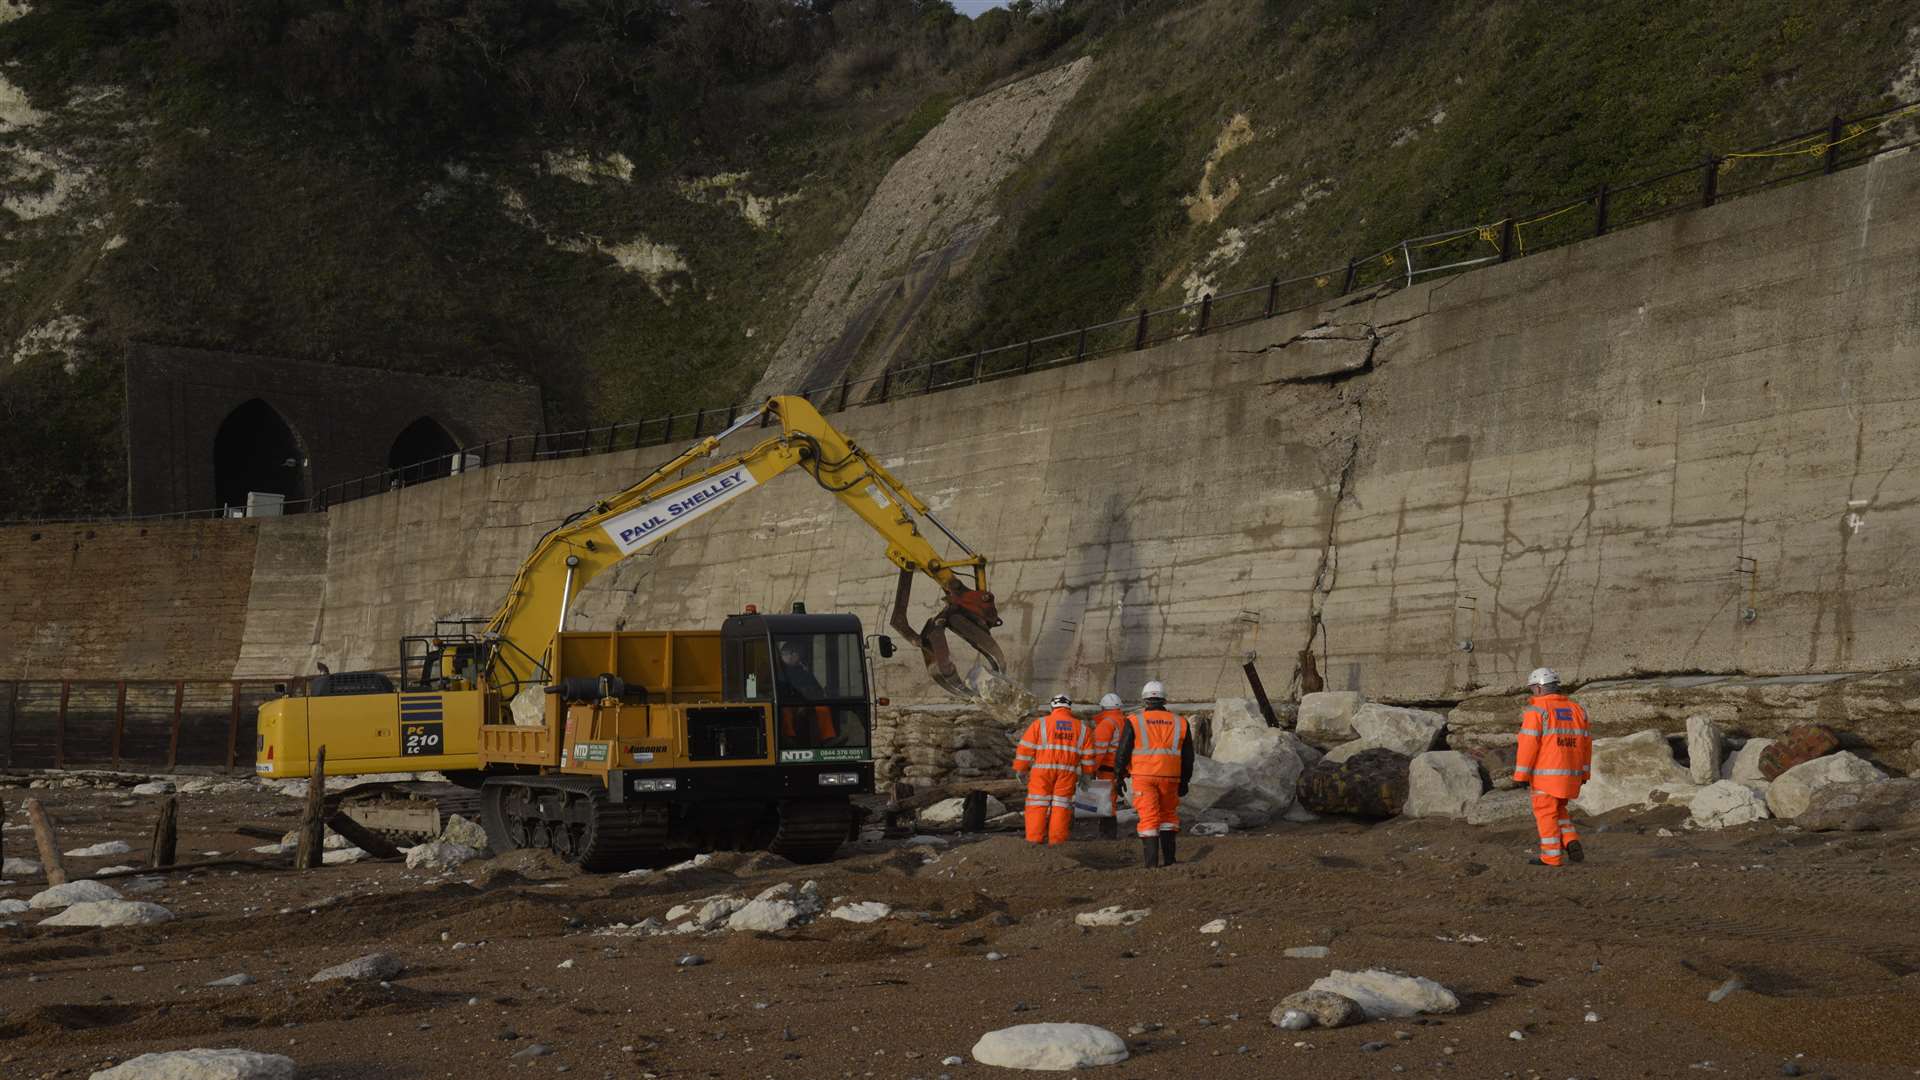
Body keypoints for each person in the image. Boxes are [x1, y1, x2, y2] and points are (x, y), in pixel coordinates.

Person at [1514, 666, 1592, 867]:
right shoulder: (1577, 710)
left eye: (1532, 688)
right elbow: (1586, 744)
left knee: (1546, 813)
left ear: (1539, 688)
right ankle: (1570, 839)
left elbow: (1528, 745)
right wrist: (1584, 772)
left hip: (1545, 776)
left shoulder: (1537, 711)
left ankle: (1551, 857)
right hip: (1570, 774)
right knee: (1558, 810)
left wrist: (1521, 775)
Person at [1112, 680, 1194, 868]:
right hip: (1170, 776)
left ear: (1144, 699)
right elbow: (1188, 756)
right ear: (1164, 699)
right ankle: (1170, 861)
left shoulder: (1134, 720)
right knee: (1168, 817)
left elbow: (1123, 750)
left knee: (1149, 818)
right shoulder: (1180, 722)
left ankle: (1151, 865)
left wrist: (1118, 776)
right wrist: (1185, 781)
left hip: (1143, 777)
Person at [1012, 694, 1096, 845]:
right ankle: (1057, 842)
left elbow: (1025, 749)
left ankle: (1033, 841)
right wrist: (1087, 774)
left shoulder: (1040, 724)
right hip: (1067, 773)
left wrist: (1021, 769)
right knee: (1061, 806)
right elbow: (1088, 755)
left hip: (1042, 772)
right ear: (1069, 708)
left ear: (1052, 707)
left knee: (1037, 804)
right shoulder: (1082, 729)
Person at [776, 639, 837, 743]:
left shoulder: (804, 672)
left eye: (796, 653)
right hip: (788, 704)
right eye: (785, 654)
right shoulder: (779, 672)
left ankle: (828, 738)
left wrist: (809, 699)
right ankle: (789, 738)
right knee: (785, 712)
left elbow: (817, 689)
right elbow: (780, 691)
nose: (794, 656)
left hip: (808, 702)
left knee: (823, 709)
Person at [1089, 692, 1127, 840]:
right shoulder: (1124, 721)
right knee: (1111, 802)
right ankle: (1108, 833)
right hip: (1119, 769)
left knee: (1106, 803)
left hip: (1107, 769)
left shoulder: (1106, 724)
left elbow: (1098, 751)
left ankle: (1107, 835)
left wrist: (1089, 770)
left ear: (1103, 708)